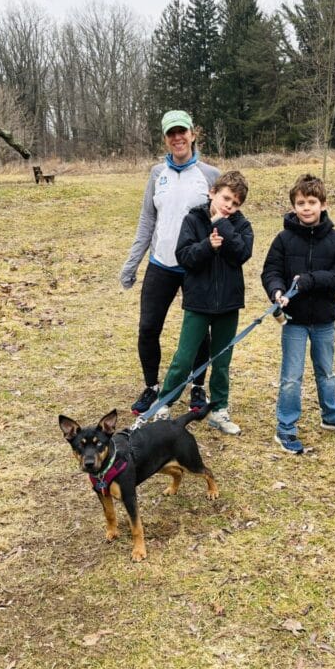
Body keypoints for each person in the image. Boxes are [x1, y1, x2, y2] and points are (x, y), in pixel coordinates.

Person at [120, 110, 218, 416]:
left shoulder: (211, 175)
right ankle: (151, 387)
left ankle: (198, 386)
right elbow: (147, 220)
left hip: (196, 266)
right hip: (161, 265)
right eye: (171, 133)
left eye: (182, 131)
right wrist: (132, 263)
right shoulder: (155, 174)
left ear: (192, 134)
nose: (177, 138)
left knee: (200, 331)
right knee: (148, 328)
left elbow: (222, 218)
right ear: (165, 138)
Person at [261, 174, 335, 454]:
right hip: (294, 321)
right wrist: (277, 291)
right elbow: (270, 271)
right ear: (294, 206)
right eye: (300, 203)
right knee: (291, 376)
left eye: (312, 202)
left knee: (326, 372)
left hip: (324, 321)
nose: (306, 207)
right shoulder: (283, 239)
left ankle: (332, 417)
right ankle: (286, 428)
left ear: (323, 204)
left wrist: (310, 280)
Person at [154, 171, 253, 435]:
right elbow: (184, 256)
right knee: (184, 358)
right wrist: (208, 246)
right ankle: (164, 403)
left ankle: (219, 409)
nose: (229, 205)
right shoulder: (193, 219)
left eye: (235, 203)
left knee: (221, 360)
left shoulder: (240, 225)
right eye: (226, 198)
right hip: (198, 303)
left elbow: (243, 253)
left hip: (229, 305)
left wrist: (224, 225)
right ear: (213, 192)